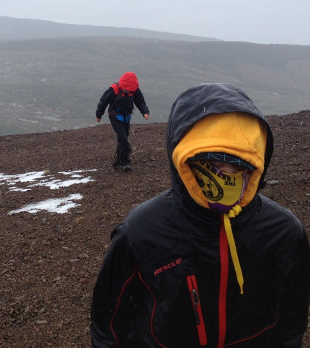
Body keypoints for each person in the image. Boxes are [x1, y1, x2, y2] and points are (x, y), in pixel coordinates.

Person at [91, 83, 310, 347]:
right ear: (183, 161)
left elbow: (292, 321)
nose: (226, 174)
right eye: (212, 163)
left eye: (239, 165)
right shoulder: (140, 233)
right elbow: (110, 324)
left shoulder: (284, 233)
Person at [96, 72, 149, 171]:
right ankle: (125, 163)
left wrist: (145, 112)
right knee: (123, 138)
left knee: (123, 139)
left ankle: (116, 161)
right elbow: (103, 102)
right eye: (126, 90)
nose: (128, 91)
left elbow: (140, 101)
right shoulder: (113, 89)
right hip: (115, 117)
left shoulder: (134, 90)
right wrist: (99, 115)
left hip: (126, 117)